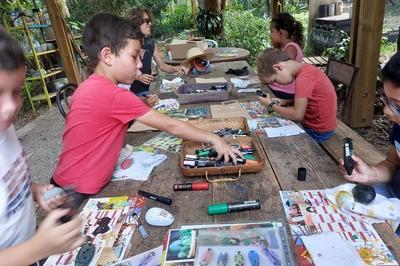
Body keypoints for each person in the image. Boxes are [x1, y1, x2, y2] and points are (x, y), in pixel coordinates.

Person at [51, 13, 241, 205]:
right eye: (134, 57)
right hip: (78, 194)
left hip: (63, 182)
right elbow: (172, 126)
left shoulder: (88, 86)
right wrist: (214, 138)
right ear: (107, 56)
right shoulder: (115, 95)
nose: (140, 64)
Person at [0, 28, 85, 265]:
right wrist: (38, 247)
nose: (10, 107)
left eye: (16, 92)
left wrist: (35, 191)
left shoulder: (5, 128)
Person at [339, 52, 400, 224]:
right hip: (392, 198)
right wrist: (370, 174)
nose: (387, 111)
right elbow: (394, 164)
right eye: (387, 100)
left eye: (398, 105)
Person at [257, 48, 337, 143]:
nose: (278, 83)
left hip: (318, 131)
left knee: (275, 143)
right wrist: (284, 101)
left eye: (274, 80)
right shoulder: (306, 69)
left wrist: (270, 105)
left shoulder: (304, 79)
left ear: (278, 68)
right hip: (317, 126)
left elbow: (297, 115)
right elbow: (309, 99)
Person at [126, 7, 189, 99]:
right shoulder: (124, 45)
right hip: (127, 94)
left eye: (150, 21)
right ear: (136, 23)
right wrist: (137, 77)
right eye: (147, 21)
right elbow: (115, 73)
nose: (150, 24)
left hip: (144, 93)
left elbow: (162, 66)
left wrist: (177, 69)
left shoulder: (150, 43)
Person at [268, 12, 304, 100]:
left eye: (272, 32)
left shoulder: (291, 48)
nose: (270, 35)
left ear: (281, 33)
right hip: (280, 90)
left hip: (284, 92)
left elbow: (282, 73)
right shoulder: (286, 47)